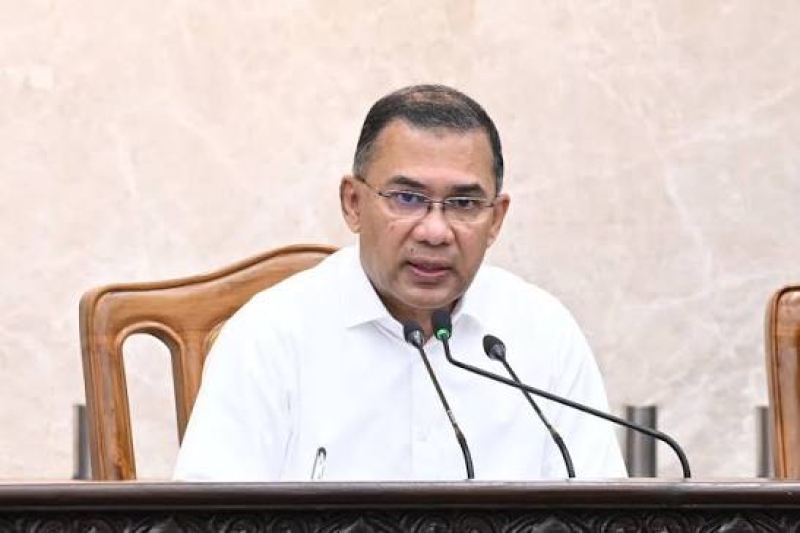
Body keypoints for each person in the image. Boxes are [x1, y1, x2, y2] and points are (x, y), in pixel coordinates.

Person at [173, 84, 627, 481]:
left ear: (496, 219)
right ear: (353, 203)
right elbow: (208, 519)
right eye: (407, 198)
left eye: (464, 204)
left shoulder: (542, 335)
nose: (435, 231)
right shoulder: (270, 336)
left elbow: (601, 511)